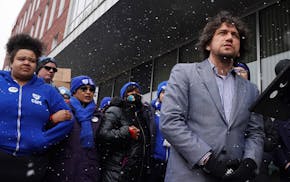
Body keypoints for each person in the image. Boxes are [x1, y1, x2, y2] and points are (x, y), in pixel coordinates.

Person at [159, 11, 264, 182]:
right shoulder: (184, 73)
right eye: (222, 33)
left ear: (239, 51)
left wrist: (250, 163)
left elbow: (255, 133)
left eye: (235, 35)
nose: (229, 38)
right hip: (189, 176)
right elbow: (170, 122)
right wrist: (207, 160)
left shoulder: (251, 89)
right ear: (208, 44)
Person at [0, 33, 73, 181]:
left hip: (32, 162)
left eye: (32, 60)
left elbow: (68, 119)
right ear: (12, 62)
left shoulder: (47, 90)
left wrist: (44, 140)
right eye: (21, 59)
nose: (27, 62)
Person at [45, 75, 102, 182]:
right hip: (64, 170)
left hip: (89, 171)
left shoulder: (99, 116)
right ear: (74, 91)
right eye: (84, 89)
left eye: (92, 89)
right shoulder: (62, 112)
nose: (88, 92)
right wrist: (53, 120)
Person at [98, 81, 155, 182]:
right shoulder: (115, 110)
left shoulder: (141, 114)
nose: (135, 94)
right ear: (124, 95)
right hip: (118, 171)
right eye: (131, 91)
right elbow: (103, 135)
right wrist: (126, 132)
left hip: (136, 172)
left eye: (137, 91)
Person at [148, 81, 170, 182]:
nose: (166, 95)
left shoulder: (179, 111)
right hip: (155, 160)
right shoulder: (150, 111)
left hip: (173, 163)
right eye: (163, 92)